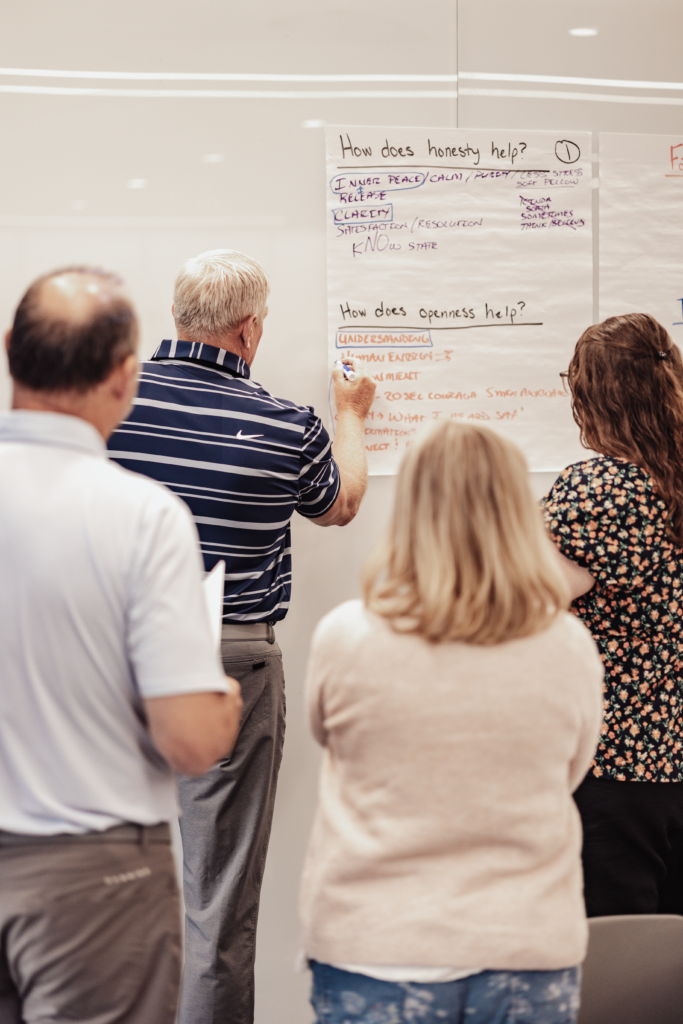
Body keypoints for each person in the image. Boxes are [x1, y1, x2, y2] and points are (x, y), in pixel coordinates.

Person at [108, 248, 376, 1024]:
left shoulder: (107, 401)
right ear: (250, 328)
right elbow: (342, 505)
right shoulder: (284, 423)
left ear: (179, 316)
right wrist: (351, 416)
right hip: (227, 662)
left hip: (107, 656)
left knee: (98, 872)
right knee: (217, 891)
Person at [0, 266, 243, 1024]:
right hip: (91, 878)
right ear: (124, 375)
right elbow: (189, 742)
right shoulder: (141, 516)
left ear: (10, 349)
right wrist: (222, 702)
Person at [300, 420, 604, 1024]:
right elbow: (570, 771)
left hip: (375, 943)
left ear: (412, 508)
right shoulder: (568, 645)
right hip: (525, 942)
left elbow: (330, 737)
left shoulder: (346, 636)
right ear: (517, 510)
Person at [543, 313, 683, 918]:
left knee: (617, 965)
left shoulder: (594, 492)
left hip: (616, 763)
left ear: (591, 398)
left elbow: (525, 596)